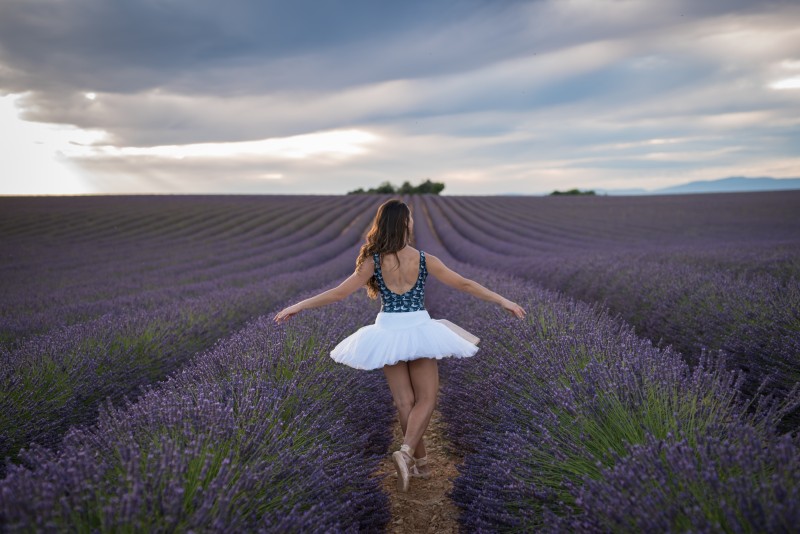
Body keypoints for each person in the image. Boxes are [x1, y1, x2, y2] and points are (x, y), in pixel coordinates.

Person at [274, 199, 526, 492]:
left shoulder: (374, 260)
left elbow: (339, 294)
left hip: (388, 330)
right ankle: (406, 453)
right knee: (427, 399)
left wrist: (298, 305)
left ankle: (420, 465)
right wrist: (502, 300)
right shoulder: (423, 259)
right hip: (419, 328)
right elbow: (464, 284)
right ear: (406, 222)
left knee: (404, 402)